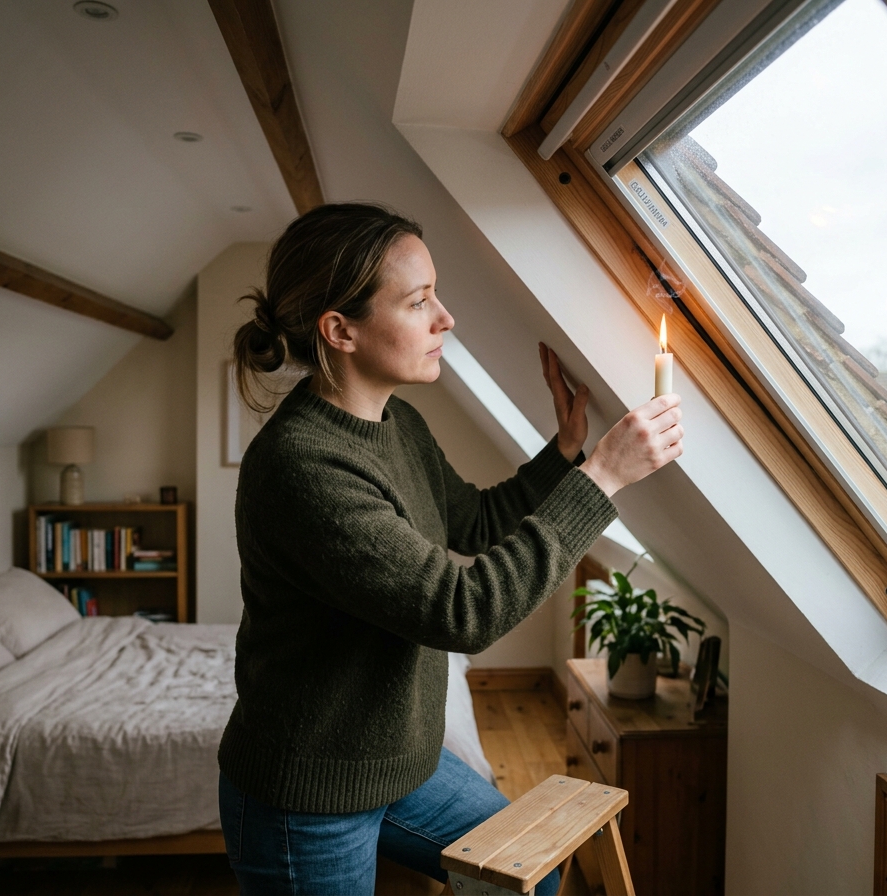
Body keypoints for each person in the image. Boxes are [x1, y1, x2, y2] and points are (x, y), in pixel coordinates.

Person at [218, 202, 684, 895]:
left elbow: (473, 521)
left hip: (402, 765)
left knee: (533, 874)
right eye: (419, 301)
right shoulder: (301, 467)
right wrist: (603, 476)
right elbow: (461, 611)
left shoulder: (397, 422)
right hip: (309, 795)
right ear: (340, 330)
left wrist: (563, 452)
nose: (446, 318)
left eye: (436, 294)